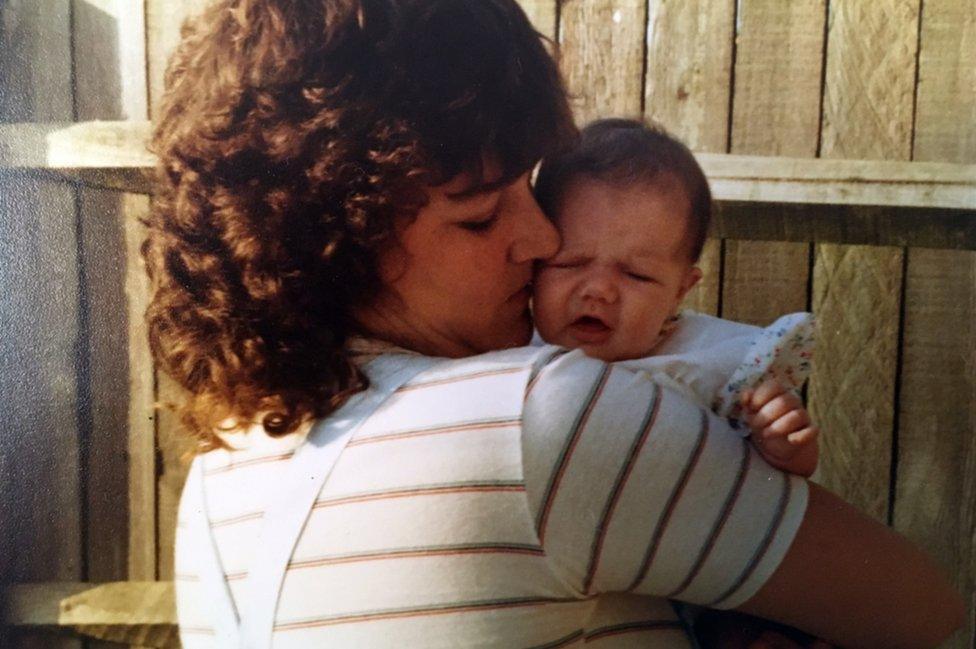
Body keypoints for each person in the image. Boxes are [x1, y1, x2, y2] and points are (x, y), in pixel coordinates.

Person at [142, 1, 965, 647]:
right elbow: (922, 610)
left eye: (528, 193)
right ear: (335, 241)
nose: (540, 241)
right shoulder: (542, 418)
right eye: (477, 218)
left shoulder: (226, 464)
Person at [532, 118, 819, 477]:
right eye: (570, 262)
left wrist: (786, 448)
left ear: (680, 292)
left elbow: (787, 482)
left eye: (635, 274)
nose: (599, 290)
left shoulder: (714, 364)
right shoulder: (510, 351)